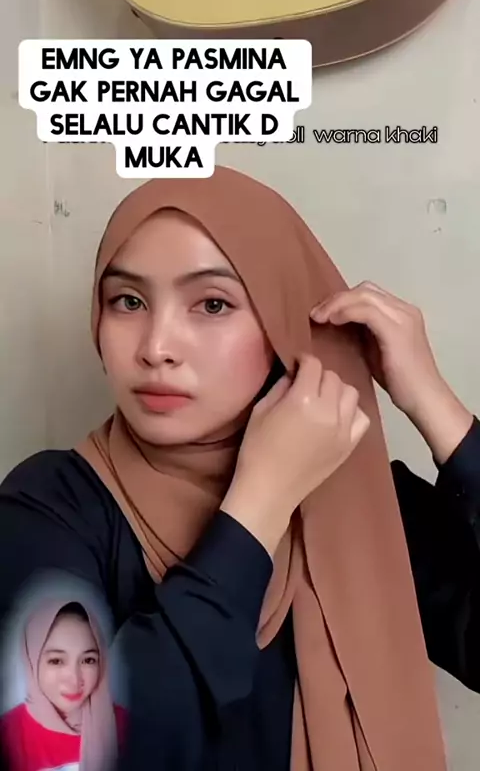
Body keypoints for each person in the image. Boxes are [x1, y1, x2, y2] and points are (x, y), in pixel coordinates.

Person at [0, 166, 478, 771]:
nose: (156, 347)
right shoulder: (49, 506)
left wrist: (438, 409)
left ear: (282, 326)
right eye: (128, 301)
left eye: (212, 304)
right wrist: (259, 505)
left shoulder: (359, 501)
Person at [0, 598, 126, 771]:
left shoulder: (125, 726)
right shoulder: (6, 737)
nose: (74, 680)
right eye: (57, 661)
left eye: (88, 660)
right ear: (31, 660)